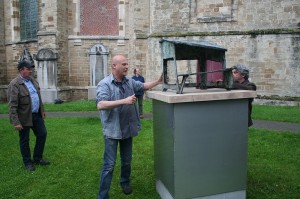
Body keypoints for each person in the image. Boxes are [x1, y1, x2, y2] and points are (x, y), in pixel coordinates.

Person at [96, 55, 162, 199]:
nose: (127, 67)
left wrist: (158, 81)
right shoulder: (105, 84)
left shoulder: (129, 82)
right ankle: (102, 196)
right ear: (114, 66)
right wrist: (124, 101)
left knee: (127, 161)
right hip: (112, 131)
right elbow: (101, 104)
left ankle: (125, 182)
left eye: (127, 64)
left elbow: (142, 86)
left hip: (127, 128)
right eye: (124, 64)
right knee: (109, 165)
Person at [7, 60, 50, 172]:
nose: (30, 71)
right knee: (24, 140)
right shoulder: (15, 84)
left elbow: (38, 97)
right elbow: (12, 105)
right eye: (28, 69)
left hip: (36, 115)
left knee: (42, 134)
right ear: (21, 70)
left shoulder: (33, 81)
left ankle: (37, 158)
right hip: (23, 117)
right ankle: (27, 162)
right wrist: (16, 122)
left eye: (31, 68)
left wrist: (42, 110)